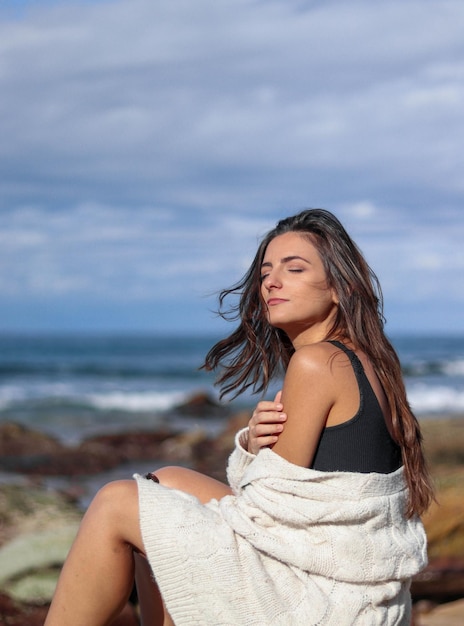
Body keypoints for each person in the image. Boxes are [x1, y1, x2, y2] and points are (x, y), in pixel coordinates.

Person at [45, 209, 433, 626]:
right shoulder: (366, 360)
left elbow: (268, 513)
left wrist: (249, 456)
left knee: (116, 502)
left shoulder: (317, 363)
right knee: (166, 482)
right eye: (266, 271)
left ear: (340, 287)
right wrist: (252, 443)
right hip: (352, 588)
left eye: (294, 268)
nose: (272, 282)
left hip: (323, 603)